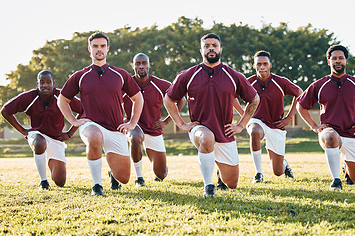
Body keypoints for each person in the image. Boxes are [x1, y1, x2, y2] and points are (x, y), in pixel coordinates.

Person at [164, 33, 259, 197]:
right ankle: (208, 186)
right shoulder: (188, 75)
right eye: (207, 46)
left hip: (225, 132)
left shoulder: (234, 76)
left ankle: (217, 169)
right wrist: (181, 124)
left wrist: (241, 125)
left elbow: (254, 99)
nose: (211, 48)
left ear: (220, 49)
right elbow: (168, 99)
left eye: (214, 45)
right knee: (206, 138)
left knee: (232, 183)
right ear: (201, 50)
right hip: (200, 129)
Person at [57, 32, 143, 196]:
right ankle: (97, 186)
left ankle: (112, 172)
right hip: (91, 125)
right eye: (95, 46)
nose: (99, 49)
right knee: (94, 137)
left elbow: (138, 98)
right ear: (90, 48)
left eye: (102, 46)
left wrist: (132, 123)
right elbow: (62, 100)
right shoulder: (80, 76)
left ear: (108, 48)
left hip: (115, 128)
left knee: (124, 178)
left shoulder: (120, 74)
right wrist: (74, 121)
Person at [297, 45, 355, 190]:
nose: (337, 61)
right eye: (334, 58)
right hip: (329, 132)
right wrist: (314, 126)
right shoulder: (320, 84)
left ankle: (347, 169)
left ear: (346, 61)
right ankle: (336, 180)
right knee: (331, 136)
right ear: (329, 62)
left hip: (353, 133)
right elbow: (301, 106)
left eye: (341, 58)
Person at [1, 70, 83, 190]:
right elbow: (5, 111)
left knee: (60, 181)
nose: (45, 85)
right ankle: (43, 182)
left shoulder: (62, 96)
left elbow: (83, 110)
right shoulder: (29, 97)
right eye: (42, 82)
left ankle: (50, 160)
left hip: (56, 138)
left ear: (53, 83)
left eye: (48, 82)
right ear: (37, 83)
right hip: (37, 135)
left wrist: (70, 133)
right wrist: (23, 131)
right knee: (40, 143)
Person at [121, 53, 186, 188]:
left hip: (153, 128)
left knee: (161, 174)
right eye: (137, 63)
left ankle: (161, 167)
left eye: (144, 63)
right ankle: (139, 178)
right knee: (135, 137)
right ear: (133, 66)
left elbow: (181, 100)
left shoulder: (160, 84)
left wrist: (167, 121)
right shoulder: (125, 84)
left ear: (149, 65)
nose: (141, 66)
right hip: (134, 124)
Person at [244, 50, 302, 183]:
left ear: (270, 65)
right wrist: (245, 115)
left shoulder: (280, 82)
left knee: (277, 171)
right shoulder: (248, 83)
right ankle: (258, 173)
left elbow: (300, 93)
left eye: (265, 64)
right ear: (254, 66)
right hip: (256, 121)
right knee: (254, 131)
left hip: (276, 125)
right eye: (259, 64)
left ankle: (284, 165)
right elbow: (232, 96)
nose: (262, 67)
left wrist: (288, 118)